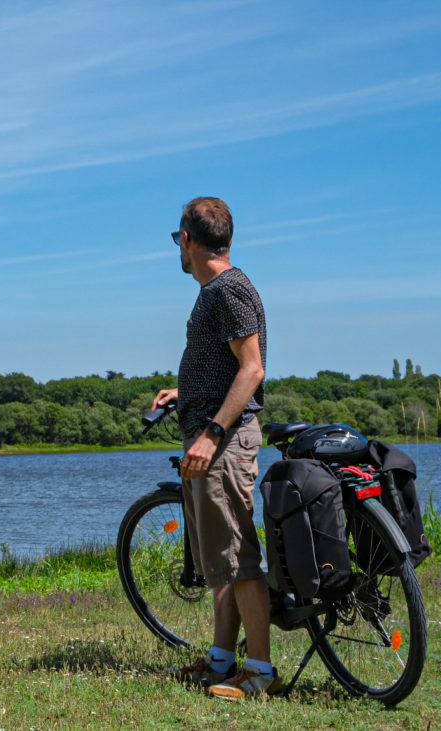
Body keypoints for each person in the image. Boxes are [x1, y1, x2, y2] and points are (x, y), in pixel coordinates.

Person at [152, 196, 278, 699]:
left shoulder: (228, 290)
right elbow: (231, 366)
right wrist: (189, 393)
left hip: (223, 441)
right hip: (211, 430)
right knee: (221, 561)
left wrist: (210, 434)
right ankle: (222, 661)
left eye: (176, 240)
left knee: (239, 557)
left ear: (187, 240)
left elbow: (252, 370)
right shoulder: (217, 291)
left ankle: (261, 673)